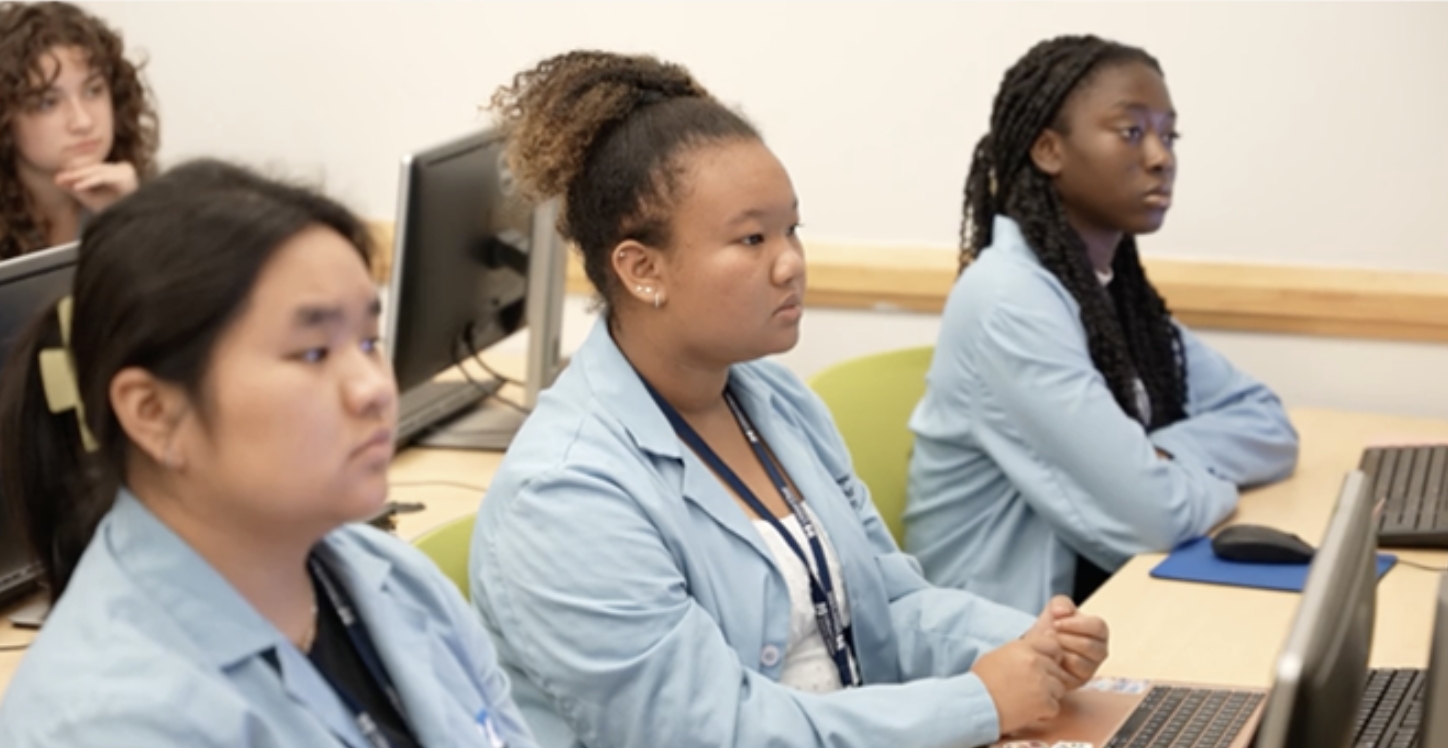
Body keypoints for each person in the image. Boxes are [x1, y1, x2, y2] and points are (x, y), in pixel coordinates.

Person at [469, 50, 1110, 748]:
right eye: (752, 239)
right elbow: (720, 733)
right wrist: (979, 702)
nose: (791, 263)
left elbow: (887, 607)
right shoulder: (564, 496)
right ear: (642, 269)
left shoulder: (771, 398)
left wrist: (1035, 644)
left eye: (791, 230)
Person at [0, 159, 537, 748]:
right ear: (154, 414)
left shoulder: (386, 573)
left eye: (367, 342)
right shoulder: (106, 720)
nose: (375, 387)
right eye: (312, 353)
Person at [905, 35, 1300, 614]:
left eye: (1169, 134)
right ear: (1048, 150)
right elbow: (1154, 519)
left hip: (1100, 605)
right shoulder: (1009, 300)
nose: (1161, 156)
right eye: (1131, 131)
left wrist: (1154, 454)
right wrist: (1180, 477)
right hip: (1000, 646)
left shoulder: (1107, 293)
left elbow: (1269, 426)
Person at [0, 1, 158, 259]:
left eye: (93, 90)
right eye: (47, 103)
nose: (83, 121)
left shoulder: (149, 197)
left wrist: (130, 217)